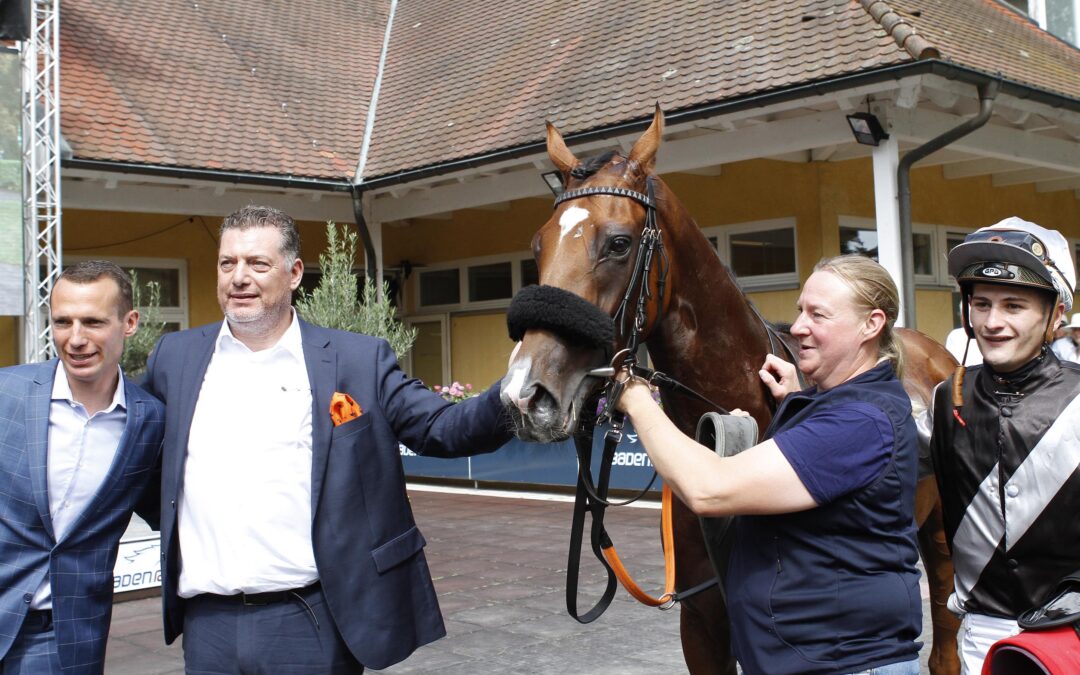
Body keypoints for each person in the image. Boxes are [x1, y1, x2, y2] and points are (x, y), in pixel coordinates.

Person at [142, 205, 513, 673]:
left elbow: (443, 429)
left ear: (294, 273)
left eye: (258, 264)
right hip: (208, 624)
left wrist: (518, 388)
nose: (239, 277)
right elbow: (140, 460)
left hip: (312, 622)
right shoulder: (174, 358)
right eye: (227, 263)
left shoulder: (357, 360)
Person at [616, 254, 922, 675]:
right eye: (800, 310)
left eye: (818, 314)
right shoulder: (837, 405)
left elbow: (709, 489)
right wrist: (798, 400)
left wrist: (633, 395)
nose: (798, 327)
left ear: (872, 325)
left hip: (842, 664)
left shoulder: (861, 420)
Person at [929, 216, 1080, 674]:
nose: (992, 322)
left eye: (1014, 306)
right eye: (982, 304)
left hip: (1070, 636)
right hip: (980, 638)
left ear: (1055, 315)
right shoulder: (943, 397)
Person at [0, 261, 165, 674]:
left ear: (129, 322)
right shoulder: (7, 393)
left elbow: (171, 511)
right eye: (62, 322)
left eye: (92, 322)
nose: (75, 339)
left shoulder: (150, 421)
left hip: (64, 638)